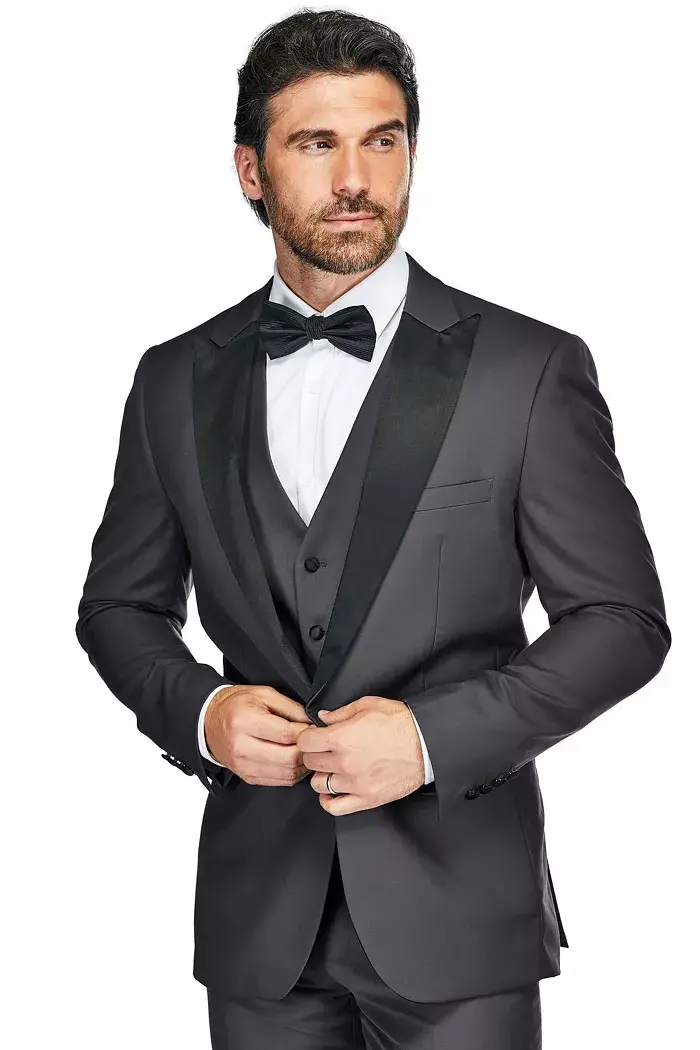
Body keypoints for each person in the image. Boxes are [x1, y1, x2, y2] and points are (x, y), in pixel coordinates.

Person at [75, 8, 671, 1049]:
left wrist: (432, 740)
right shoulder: (172, 379)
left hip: (460, 916)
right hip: (259, 922)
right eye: (317, 143)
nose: (356, 178)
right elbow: (119, 607)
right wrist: (204, 713)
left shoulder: (527, 369)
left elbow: (622, 621)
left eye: (382, 140)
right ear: (251, 171)